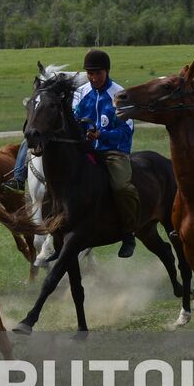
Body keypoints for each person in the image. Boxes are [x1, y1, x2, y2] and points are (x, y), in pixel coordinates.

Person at [72, 48, 140, 258]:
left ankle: (129, 232)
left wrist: (101, 135)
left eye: (97, 73)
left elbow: (126, 130)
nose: (93, 78)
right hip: (86, 150)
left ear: (107, 71)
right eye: (90, 74)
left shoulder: (120, 95)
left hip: (113, 152)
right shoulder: (81, 93)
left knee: (121, 187)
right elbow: (74, 120)